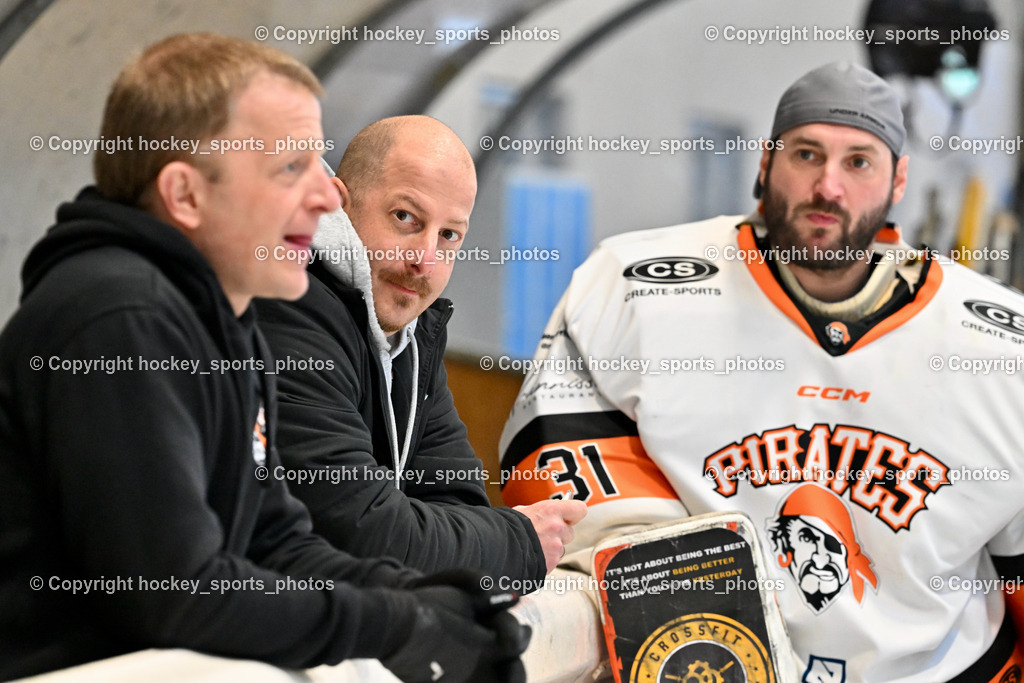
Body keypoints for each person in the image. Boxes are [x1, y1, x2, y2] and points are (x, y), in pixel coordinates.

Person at [0, 33, 528, 682]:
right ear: (186, 196)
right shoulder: (118, 316)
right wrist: (398, 624)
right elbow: (181, 595)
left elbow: (276, 541)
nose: (328, 197)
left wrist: (441, 604)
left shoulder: (226, 319)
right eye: (290, 168)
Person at [499, 61, 1024, 681]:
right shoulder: (634, 284)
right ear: (765, 163)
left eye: (859, 161)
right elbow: (552, 470)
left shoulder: (998, 342)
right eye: (807, 154)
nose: (828, 186)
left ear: (899, 178)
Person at [255, 116, 586, 581]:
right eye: (405, 218)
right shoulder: (288, 307)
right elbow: (363, 533)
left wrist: (468, 543)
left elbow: (457, 501)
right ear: (337, 205)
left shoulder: (409, 334)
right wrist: (520, 540)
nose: (424, 261)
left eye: (449, 236)